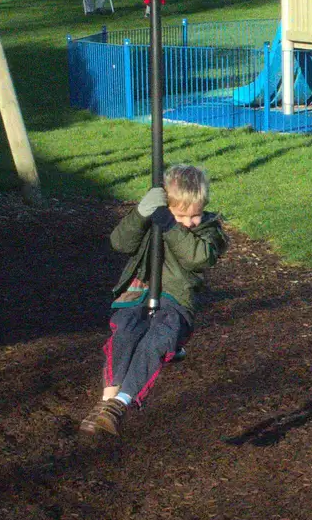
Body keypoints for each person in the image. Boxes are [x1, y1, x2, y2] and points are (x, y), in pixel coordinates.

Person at [81, 164, 228, 437]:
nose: (190, 222)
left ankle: (120, 404)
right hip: (138, 292)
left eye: (195, 214)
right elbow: (120, 243)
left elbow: (198, 257)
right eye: (182, 215)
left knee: (155, 342)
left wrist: (171, 225)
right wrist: (141, 213)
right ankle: (105, 404)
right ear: (166, 206)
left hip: (176, 301)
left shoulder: (208, 229)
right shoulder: (152, 220)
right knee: (124, 332)